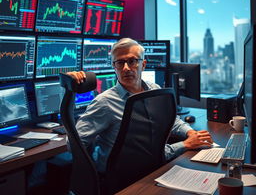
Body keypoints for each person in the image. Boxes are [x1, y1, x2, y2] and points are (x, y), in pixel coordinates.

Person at [67, 38, 213, 173]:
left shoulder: (154, 89)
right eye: (120, 62)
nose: (125, 68)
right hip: (123, 177)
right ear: (114, 67)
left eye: (132, 61)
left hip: (153, 169)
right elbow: (74, 145)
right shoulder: (104, 103)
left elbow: (171, 120)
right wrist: (185, 145)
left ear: (143, 65)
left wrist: (190, 132)